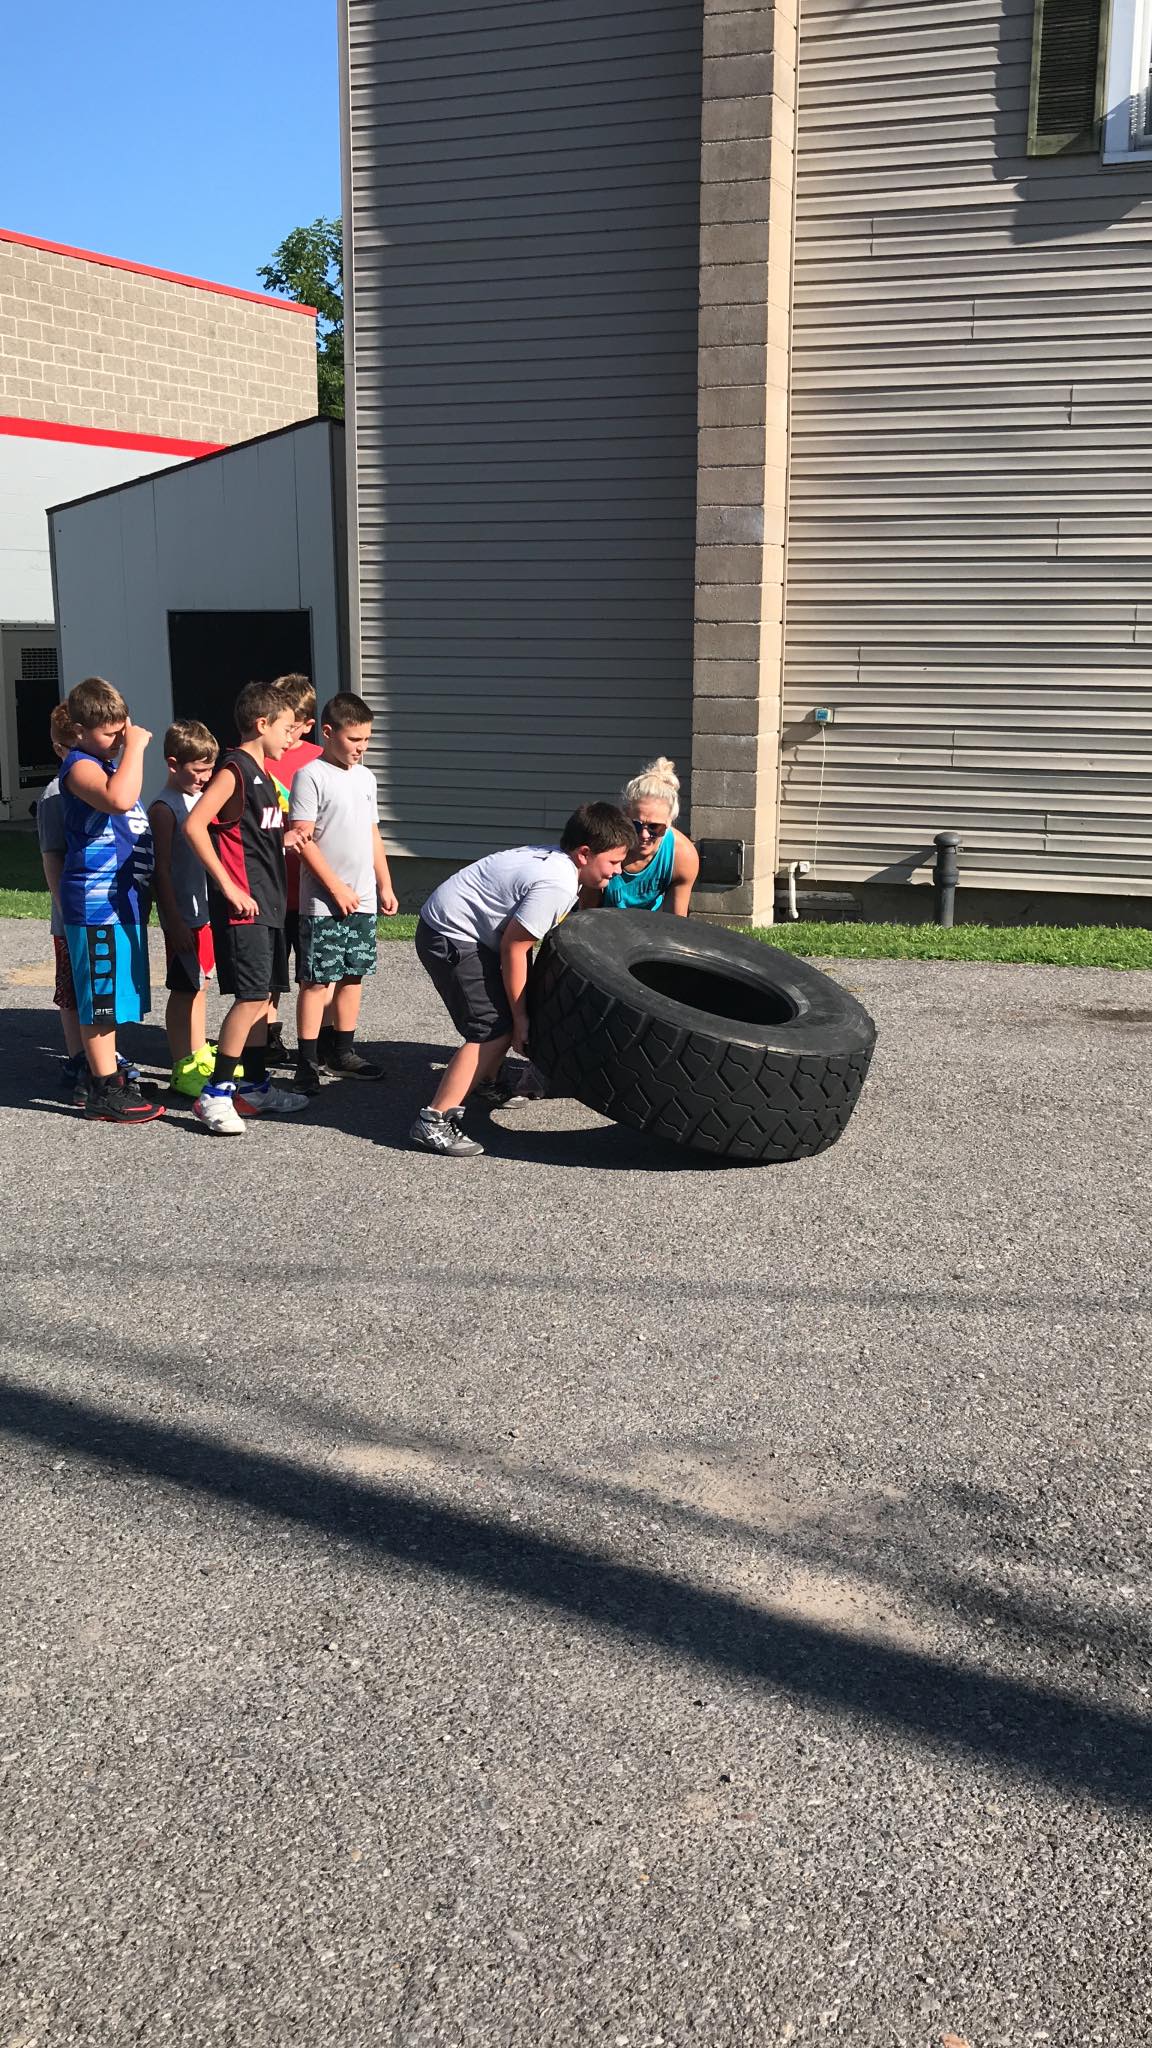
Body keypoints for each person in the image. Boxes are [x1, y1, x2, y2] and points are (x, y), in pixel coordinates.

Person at [410, 802, 635, 1157]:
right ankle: (434, 1120)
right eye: (614, 861)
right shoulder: (557, 884)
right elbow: (514, 948)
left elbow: (519, 943)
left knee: (504, 1010)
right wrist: (520, 1020)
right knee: (492, 1029)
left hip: (469, 930)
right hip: (450, 934)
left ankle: (486, 1082)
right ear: (584, 853)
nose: (619, 871)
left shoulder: (560, 865)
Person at [183, 680, 311, 1135]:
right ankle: (215, 1094)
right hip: (245, 908)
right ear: (262, 724)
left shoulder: (264, 776)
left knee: (264, 999)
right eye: (286, 729)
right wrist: (228, 887)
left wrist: (286, 838)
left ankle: (254, 1086)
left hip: (271, 904)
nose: (292, 738)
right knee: (251, 996)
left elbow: (254, 837)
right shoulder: (234, 769)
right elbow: (196, 826)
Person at [57, 677, 163, 1124]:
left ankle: (109, 1076)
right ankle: (104, 1089)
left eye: (124, 731)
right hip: (96, 904)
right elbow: (121, 800)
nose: (120, 741)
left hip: (122, 904)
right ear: (79, 730)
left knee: (113, 997)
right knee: (101, 998)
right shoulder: (80, 766)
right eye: (110, 734)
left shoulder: (105, 765)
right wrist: (137, 748)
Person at [289, 692, 398, 1095]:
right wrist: (335, 887)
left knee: (353, 975)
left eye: (367, 740)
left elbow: (372, 834)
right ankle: (307, 1059)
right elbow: (302, 838)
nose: (361, 748)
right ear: (328, 732)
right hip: (324, 901)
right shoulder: (311, 774)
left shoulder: (365, 778)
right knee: (318, 980)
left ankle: (343, 1051)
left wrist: (383, 883)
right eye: (354, 740)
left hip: (363, 897)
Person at [147, 718, 221, 1097]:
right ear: (173, 763)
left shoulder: (198, 797)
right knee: (183, 990)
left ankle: (197, 1054)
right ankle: (181, 1065)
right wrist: (172, 920)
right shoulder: (164, 808)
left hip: (204, 911)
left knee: (201, 984)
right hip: (183, 916)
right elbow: (160, 869)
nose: (205, 777)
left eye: (210, 769)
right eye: (198, 770)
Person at [265, 673, 323, 1064]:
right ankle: (267, 1037)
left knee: (314, 973)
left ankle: (320, 1042)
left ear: (307, 724)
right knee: (269, 975)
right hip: (269, 886)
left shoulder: (318, 759)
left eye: (294, 725)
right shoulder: (255, 756)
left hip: (308, 888)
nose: (287, 735)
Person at [602, 757, 699, 915]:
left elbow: (677, 924)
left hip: (648, 928)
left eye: (655, 827)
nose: (644, 834)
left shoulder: (683, 856)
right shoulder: (605, 844)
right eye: (636, 825)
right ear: (624, 816)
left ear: (669, 822)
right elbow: (587, 913)